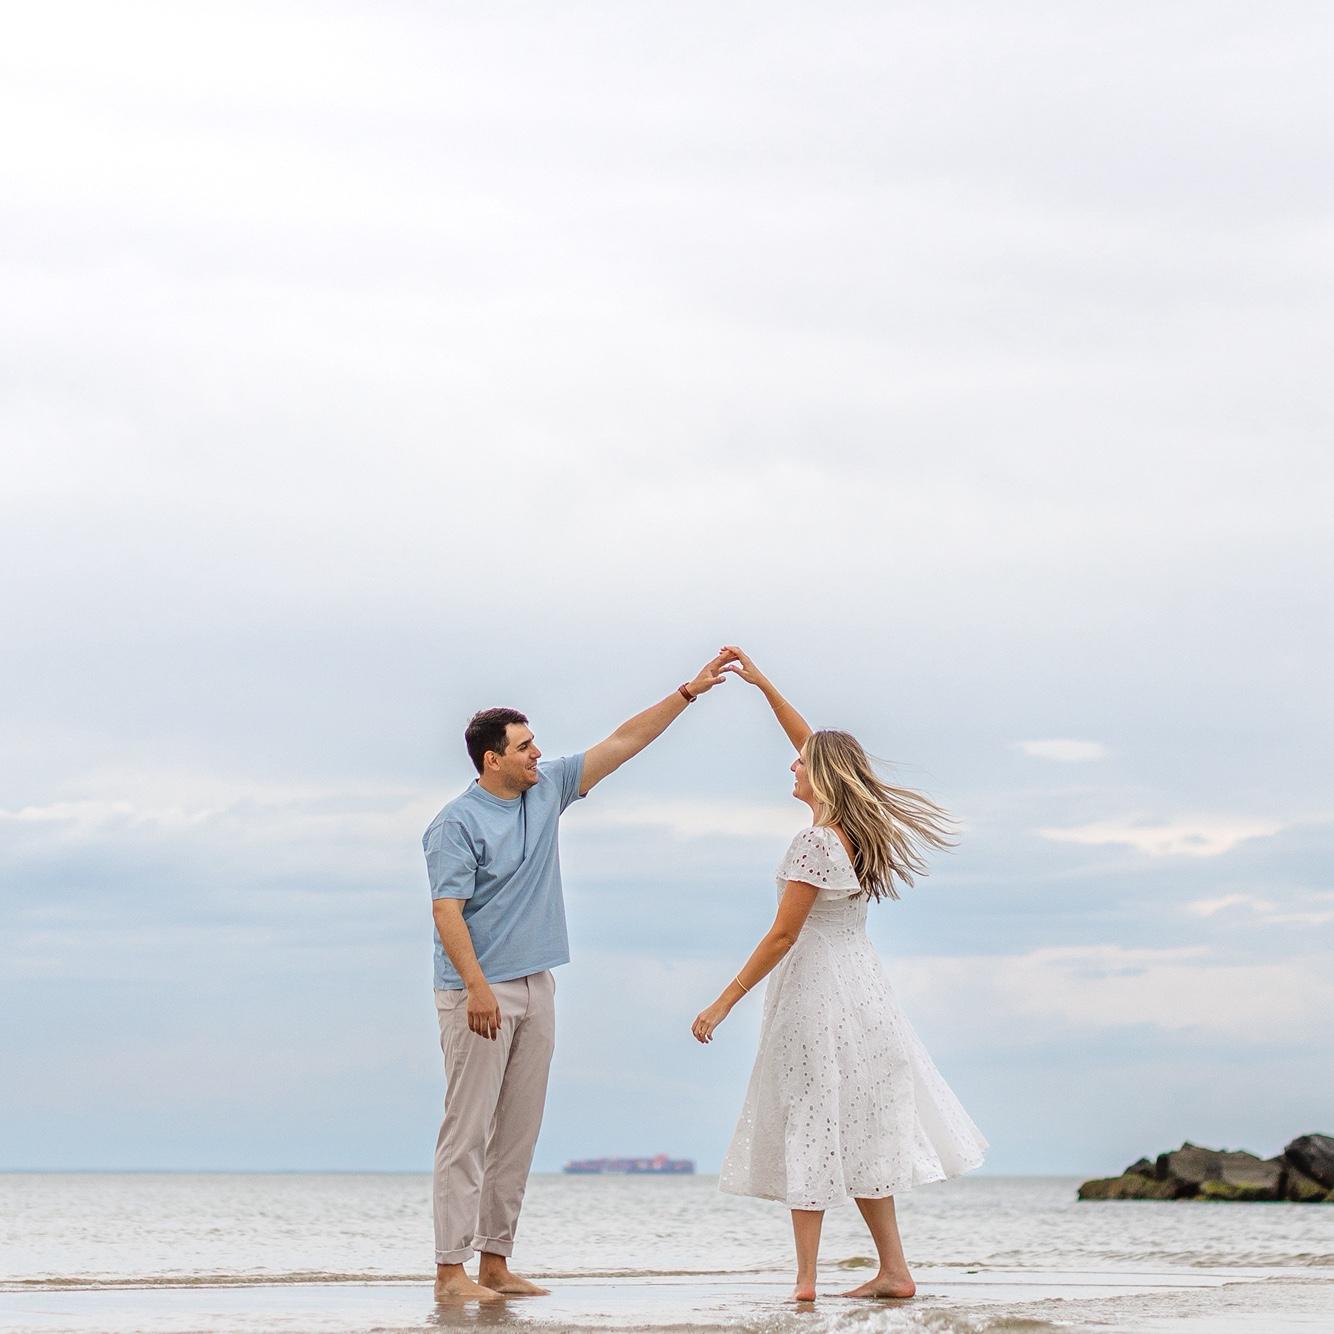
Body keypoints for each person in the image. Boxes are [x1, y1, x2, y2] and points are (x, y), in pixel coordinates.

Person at [423, 650, 736, 1301]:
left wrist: (688, 692)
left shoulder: (547, 789)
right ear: (492, 760)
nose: (538, 753)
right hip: (476, 991)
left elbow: (624, 741)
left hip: (537, 984)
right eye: (525, 746)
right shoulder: (455, 823)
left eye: (535, 743)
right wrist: (476, 988)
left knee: (517, 1133)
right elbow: (446, 911)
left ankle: (495, 1264)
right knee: (467, 1132)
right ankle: (451, 1273)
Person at [691, 647, 987, 1303]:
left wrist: (722, 1002)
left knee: (812, 1120)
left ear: (821, 776)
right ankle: (894, 1271)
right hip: (864, 993)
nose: (791, 764)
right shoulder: (855, 829)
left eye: (802, 763)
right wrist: (765, 686)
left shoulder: (815, 842)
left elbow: (783, 935)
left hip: (817, 993)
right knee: (859, 1124)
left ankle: (805, 1283)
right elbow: (812, 744)